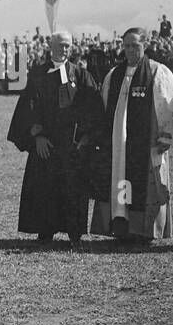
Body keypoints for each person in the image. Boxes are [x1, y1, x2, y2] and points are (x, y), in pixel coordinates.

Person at [7, 30, 105, 245]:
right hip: (46, 146)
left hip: (72, 146)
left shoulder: (80, 75)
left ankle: (75, 233)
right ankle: (45, 230)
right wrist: (37, 137)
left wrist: (87, 138)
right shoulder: (38, 75)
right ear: (50, 46)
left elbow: (93, 108)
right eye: (60, 45)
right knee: (45, 188)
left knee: (73, 189)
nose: (64, 49)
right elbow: (27, 109)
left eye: (68, 45)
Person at [89, 26, 173, 243]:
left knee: (143, 182)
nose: (130, 50)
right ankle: (122, 223)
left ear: (144, 45)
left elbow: (165, 105)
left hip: (145, 144)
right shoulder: (114, 75)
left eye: (135, 45)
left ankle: (144, 229)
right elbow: (104, 105)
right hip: (118, 144)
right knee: (119, 178)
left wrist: (166, 134)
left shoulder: (157, 72)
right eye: (126, 46)